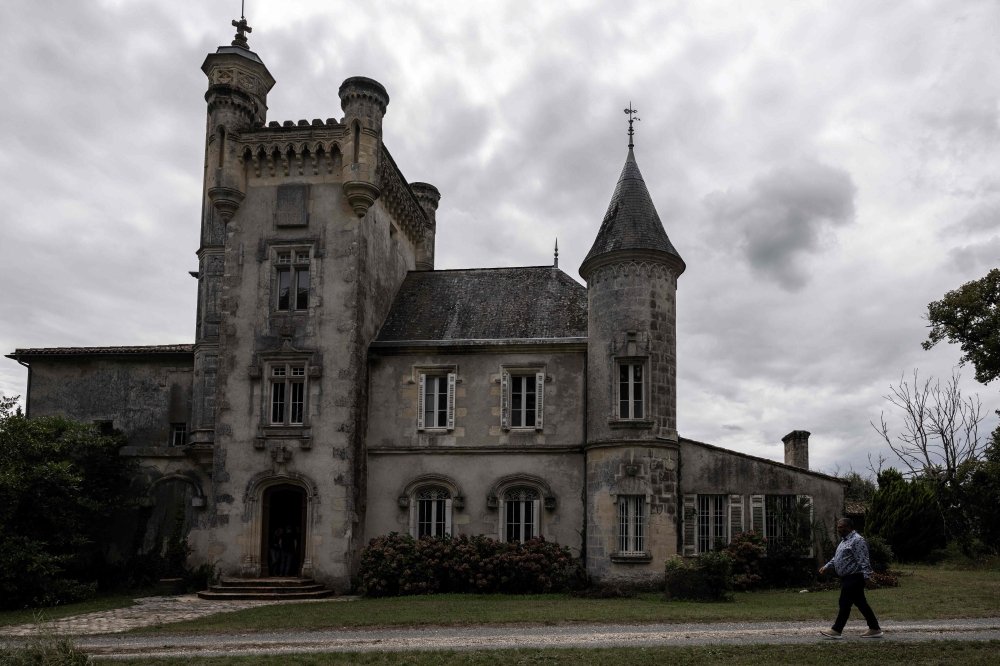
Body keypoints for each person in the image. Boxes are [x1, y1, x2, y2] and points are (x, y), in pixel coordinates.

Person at [819, 518, 883, 638]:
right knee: (861, 603)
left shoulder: (857, 540)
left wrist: (867, 577)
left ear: (849, 527)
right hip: (848, 577)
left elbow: (863, 560)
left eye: (841, 527)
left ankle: (836, 630)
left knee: (844, 602)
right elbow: (838, 558)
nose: (838, 529)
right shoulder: (844, 541)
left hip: (854, 577)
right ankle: (875, 628)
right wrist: (827, 566)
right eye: (838, 527)